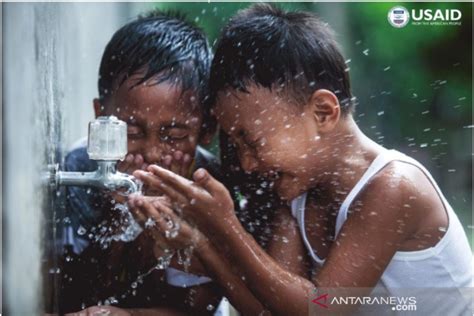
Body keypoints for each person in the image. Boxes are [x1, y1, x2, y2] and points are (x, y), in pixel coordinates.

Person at [131, 4, 473, 315]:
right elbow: (273, 311)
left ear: (323, 112)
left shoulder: (393, 188)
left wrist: (225, 225)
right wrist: (200, 243)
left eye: (251, 139)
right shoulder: (296, 197)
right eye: (235, 143)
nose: (247, 163)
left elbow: (321, 308)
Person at [54, 9, 229, 315]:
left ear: (207, 129)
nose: (151, 152)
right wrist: (119, 216)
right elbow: (73, 290)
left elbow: (200, 306)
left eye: (173, 135)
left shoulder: (211, 187)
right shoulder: (80, 168)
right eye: (131, 131)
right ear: (101, 118)